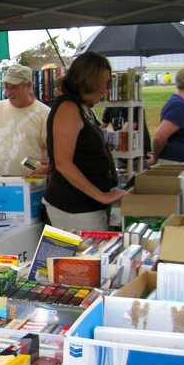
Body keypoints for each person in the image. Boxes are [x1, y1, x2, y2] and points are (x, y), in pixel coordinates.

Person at [43, 52, 126, 231]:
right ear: (89, 82)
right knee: (80, 259)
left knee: (73, 258)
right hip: (73, 206)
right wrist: (101, 196)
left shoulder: (82, 107)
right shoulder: (68, 108)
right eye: (104, 84)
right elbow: (63, 163)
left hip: (85, 205)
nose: (105, 90)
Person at [0, 64, 50, 176]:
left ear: (29, 86)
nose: (8, 92)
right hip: (0, 183)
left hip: (32, 186)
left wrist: (46, 169)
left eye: (14, 87)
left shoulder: (44, 113)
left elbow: (59, 157)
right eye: (6, 86)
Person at [150, 65, 184, 165]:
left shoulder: (181, 103)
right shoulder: (179, 105)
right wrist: (155, 157)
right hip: (177, 164)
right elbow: (159, 137)